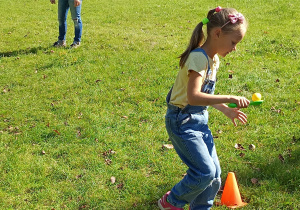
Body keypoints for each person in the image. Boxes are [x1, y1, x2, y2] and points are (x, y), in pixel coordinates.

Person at [158, 7, 250, 210]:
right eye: (234, 42)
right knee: (204, 172)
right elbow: (193, 96)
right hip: (182, 121)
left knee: (214, 176)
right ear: (217, 33)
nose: (235, 48)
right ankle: (171, 201)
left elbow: (204, 94)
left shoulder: (213, 58)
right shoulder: (199, 58)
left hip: (199, 120)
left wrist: (225, 108)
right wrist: (230, 97)